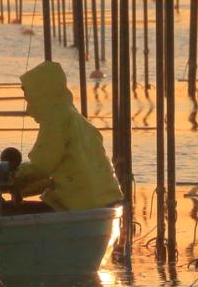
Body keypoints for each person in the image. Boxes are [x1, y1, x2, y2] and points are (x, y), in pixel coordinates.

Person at [10, 60, 122, 212]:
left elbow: (41, 166)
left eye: (29, 97)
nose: (28, 107)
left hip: (82, 204)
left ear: (40, 94)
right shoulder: (74, 116)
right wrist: (23, 190)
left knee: (5, 211)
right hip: (106, 201)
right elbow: (62, 175)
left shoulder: (56, 117)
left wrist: (9, 176)